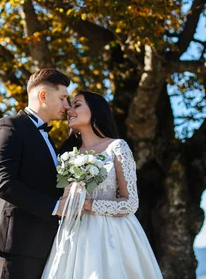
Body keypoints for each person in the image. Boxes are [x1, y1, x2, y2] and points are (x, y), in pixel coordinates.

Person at [41, 90, 163, 279]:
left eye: (77, 105)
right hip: (73, 235)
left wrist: (91, 204)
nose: (69, 111)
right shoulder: (67, 154)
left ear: (95, 110)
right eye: (70, 106)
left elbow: (130, 203)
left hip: (112, 235)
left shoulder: (117, 147)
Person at [0, 68, 71, 279]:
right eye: (63, 98)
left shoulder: (48, 139)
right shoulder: (9, 127)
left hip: (41, 246)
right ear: (43, 96)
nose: (67, 106)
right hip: (13, 247)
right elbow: (4, 184)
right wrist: (56, 207)